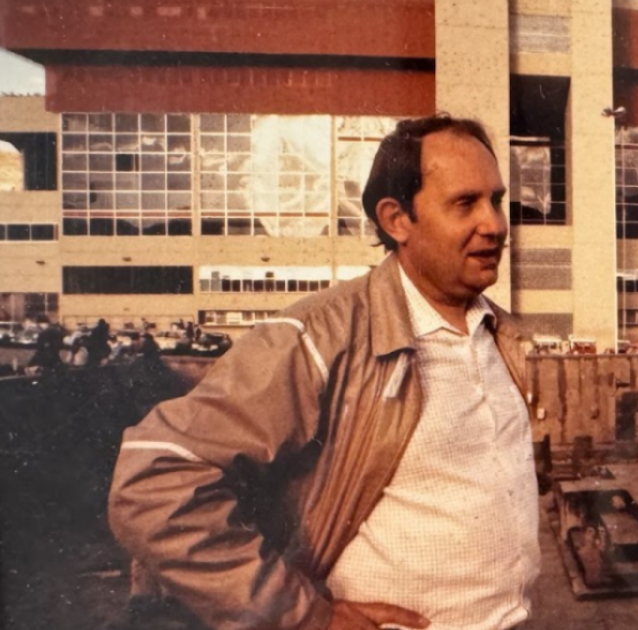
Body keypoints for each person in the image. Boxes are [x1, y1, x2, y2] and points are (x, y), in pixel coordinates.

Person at [108, 114, 538, 630]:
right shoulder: (321, 336)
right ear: (396, 219)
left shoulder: (499, 334)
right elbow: (154, 477)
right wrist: (304, 615)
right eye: (465, 203)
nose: (493, 223)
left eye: (496, 199)